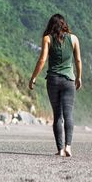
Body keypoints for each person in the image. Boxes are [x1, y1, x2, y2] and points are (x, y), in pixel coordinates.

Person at [29, 14, 82, 157]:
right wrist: (79, 77)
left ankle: (60, 150)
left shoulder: (47, 39)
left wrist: (33, 77)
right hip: (69, 81)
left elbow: (42, 60)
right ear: (64, 24)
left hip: (53, 80)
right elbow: (77, 60)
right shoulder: (74, 39)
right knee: (68, 115)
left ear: (50, 25)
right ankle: (68, 147)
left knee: (58, 116)